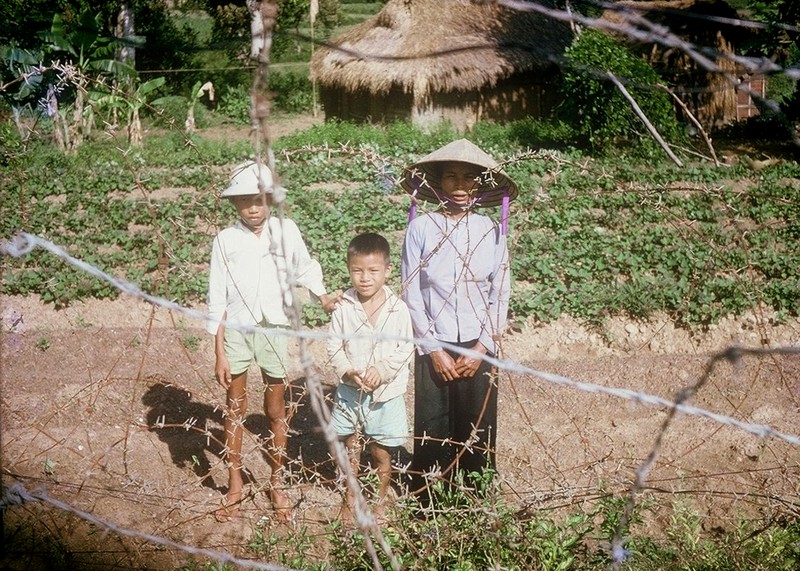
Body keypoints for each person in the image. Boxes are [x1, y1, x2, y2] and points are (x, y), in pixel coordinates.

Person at [206, 160, 337, 522]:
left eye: (261, 199)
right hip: (236, 331)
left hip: (274, 328)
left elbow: (306, 267)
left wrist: (322, 296)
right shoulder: (225, 240)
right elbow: (217, 298)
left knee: (275, 410)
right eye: (245, 200)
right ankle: (235, 483)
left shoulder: (286, 231)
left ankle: (276, 482)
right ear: (234, 204)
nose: (253, 208)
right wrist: (219, 352)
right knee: (234, 406)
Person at [399, 139, 518, 495]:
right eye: (451, 177)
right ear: (438, 182)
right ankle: (430, 501)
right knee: (432, 424)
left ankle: (475, 498)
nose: (461, 186)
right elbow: (411, 290)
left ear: (480, 183)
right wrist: (433, 349)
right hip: (434, 342)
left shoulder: (490, 231)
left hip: (477, 344)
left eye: (469, 178)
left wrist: (482, 346)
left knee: (477, 428)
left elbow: (501, 292)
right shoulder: (421, 229)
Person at [327, 232, 413, 523]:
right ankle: (350, 496)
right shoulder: (343, 308)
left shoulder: (397, 309)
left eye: (373, 271)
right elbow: (332, 346)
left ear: (388, 270)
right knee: (352, 446)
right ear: (349, 269)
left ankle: (380, 497)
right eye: (357, 271)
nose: (364, 278)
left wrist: (383, 370)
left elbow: (405, 347)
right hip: (351, 393)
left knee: (380, 451)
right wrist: (346, 370)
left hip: (385, 395)